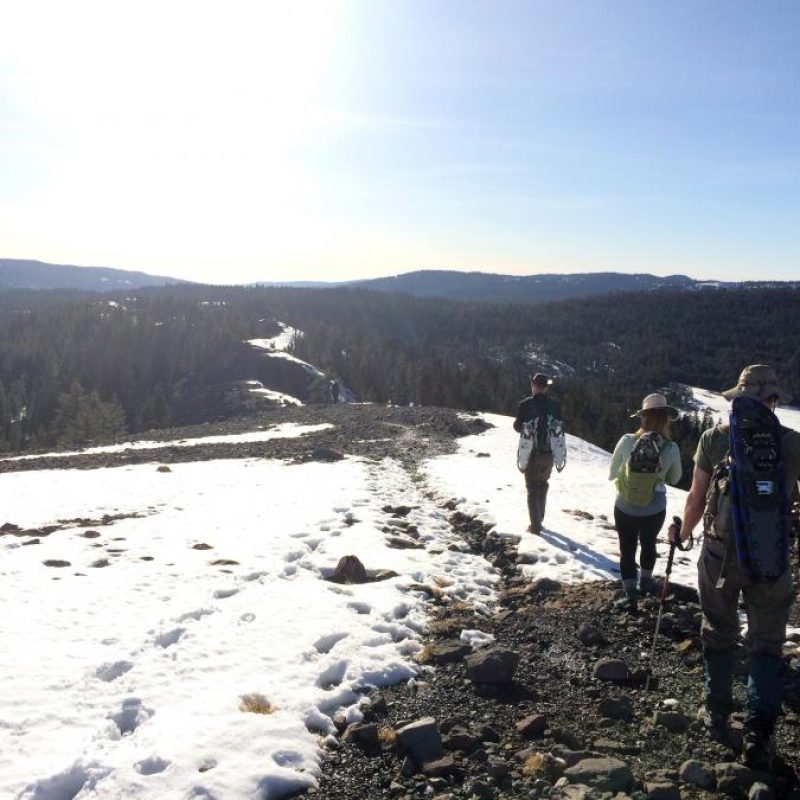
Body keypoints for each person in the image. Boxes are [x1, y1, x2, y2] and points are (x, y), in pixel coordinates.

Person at [669, 365, 800, 769]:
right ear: (773, 399)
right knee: (767, 642)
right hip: (771, 557)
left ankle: (717, 709)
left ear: (738, 398)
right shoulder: (792, 443)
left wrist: (682, 534)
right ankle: (759, 729)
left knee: (718, 629)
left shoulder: (714, 439)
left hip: (719, 554)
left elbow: (696, 497)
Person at [608, 393, 682, 612]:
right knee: (649, 544)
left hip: (624, 506)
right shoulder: (671, 448)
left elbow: (612, 472)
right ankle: (646, 583)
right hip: (654, 509)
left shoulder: (627, 441)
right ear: (666, 419)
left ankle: (630, 595)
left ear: (643, 417)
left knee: (627, 548)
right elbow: (675, 478)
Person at [513, 373, 563, 534]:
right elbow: (559, 427)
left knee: (532, 489)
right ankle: (540, 517)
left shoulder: (525, 405)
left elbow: (517, 426)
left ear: (533, 385)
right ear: (546, 388)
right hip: (550, 453)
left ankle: (535, 526)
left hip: (531, 452)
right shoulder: (555, 405)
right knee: (543, 484)